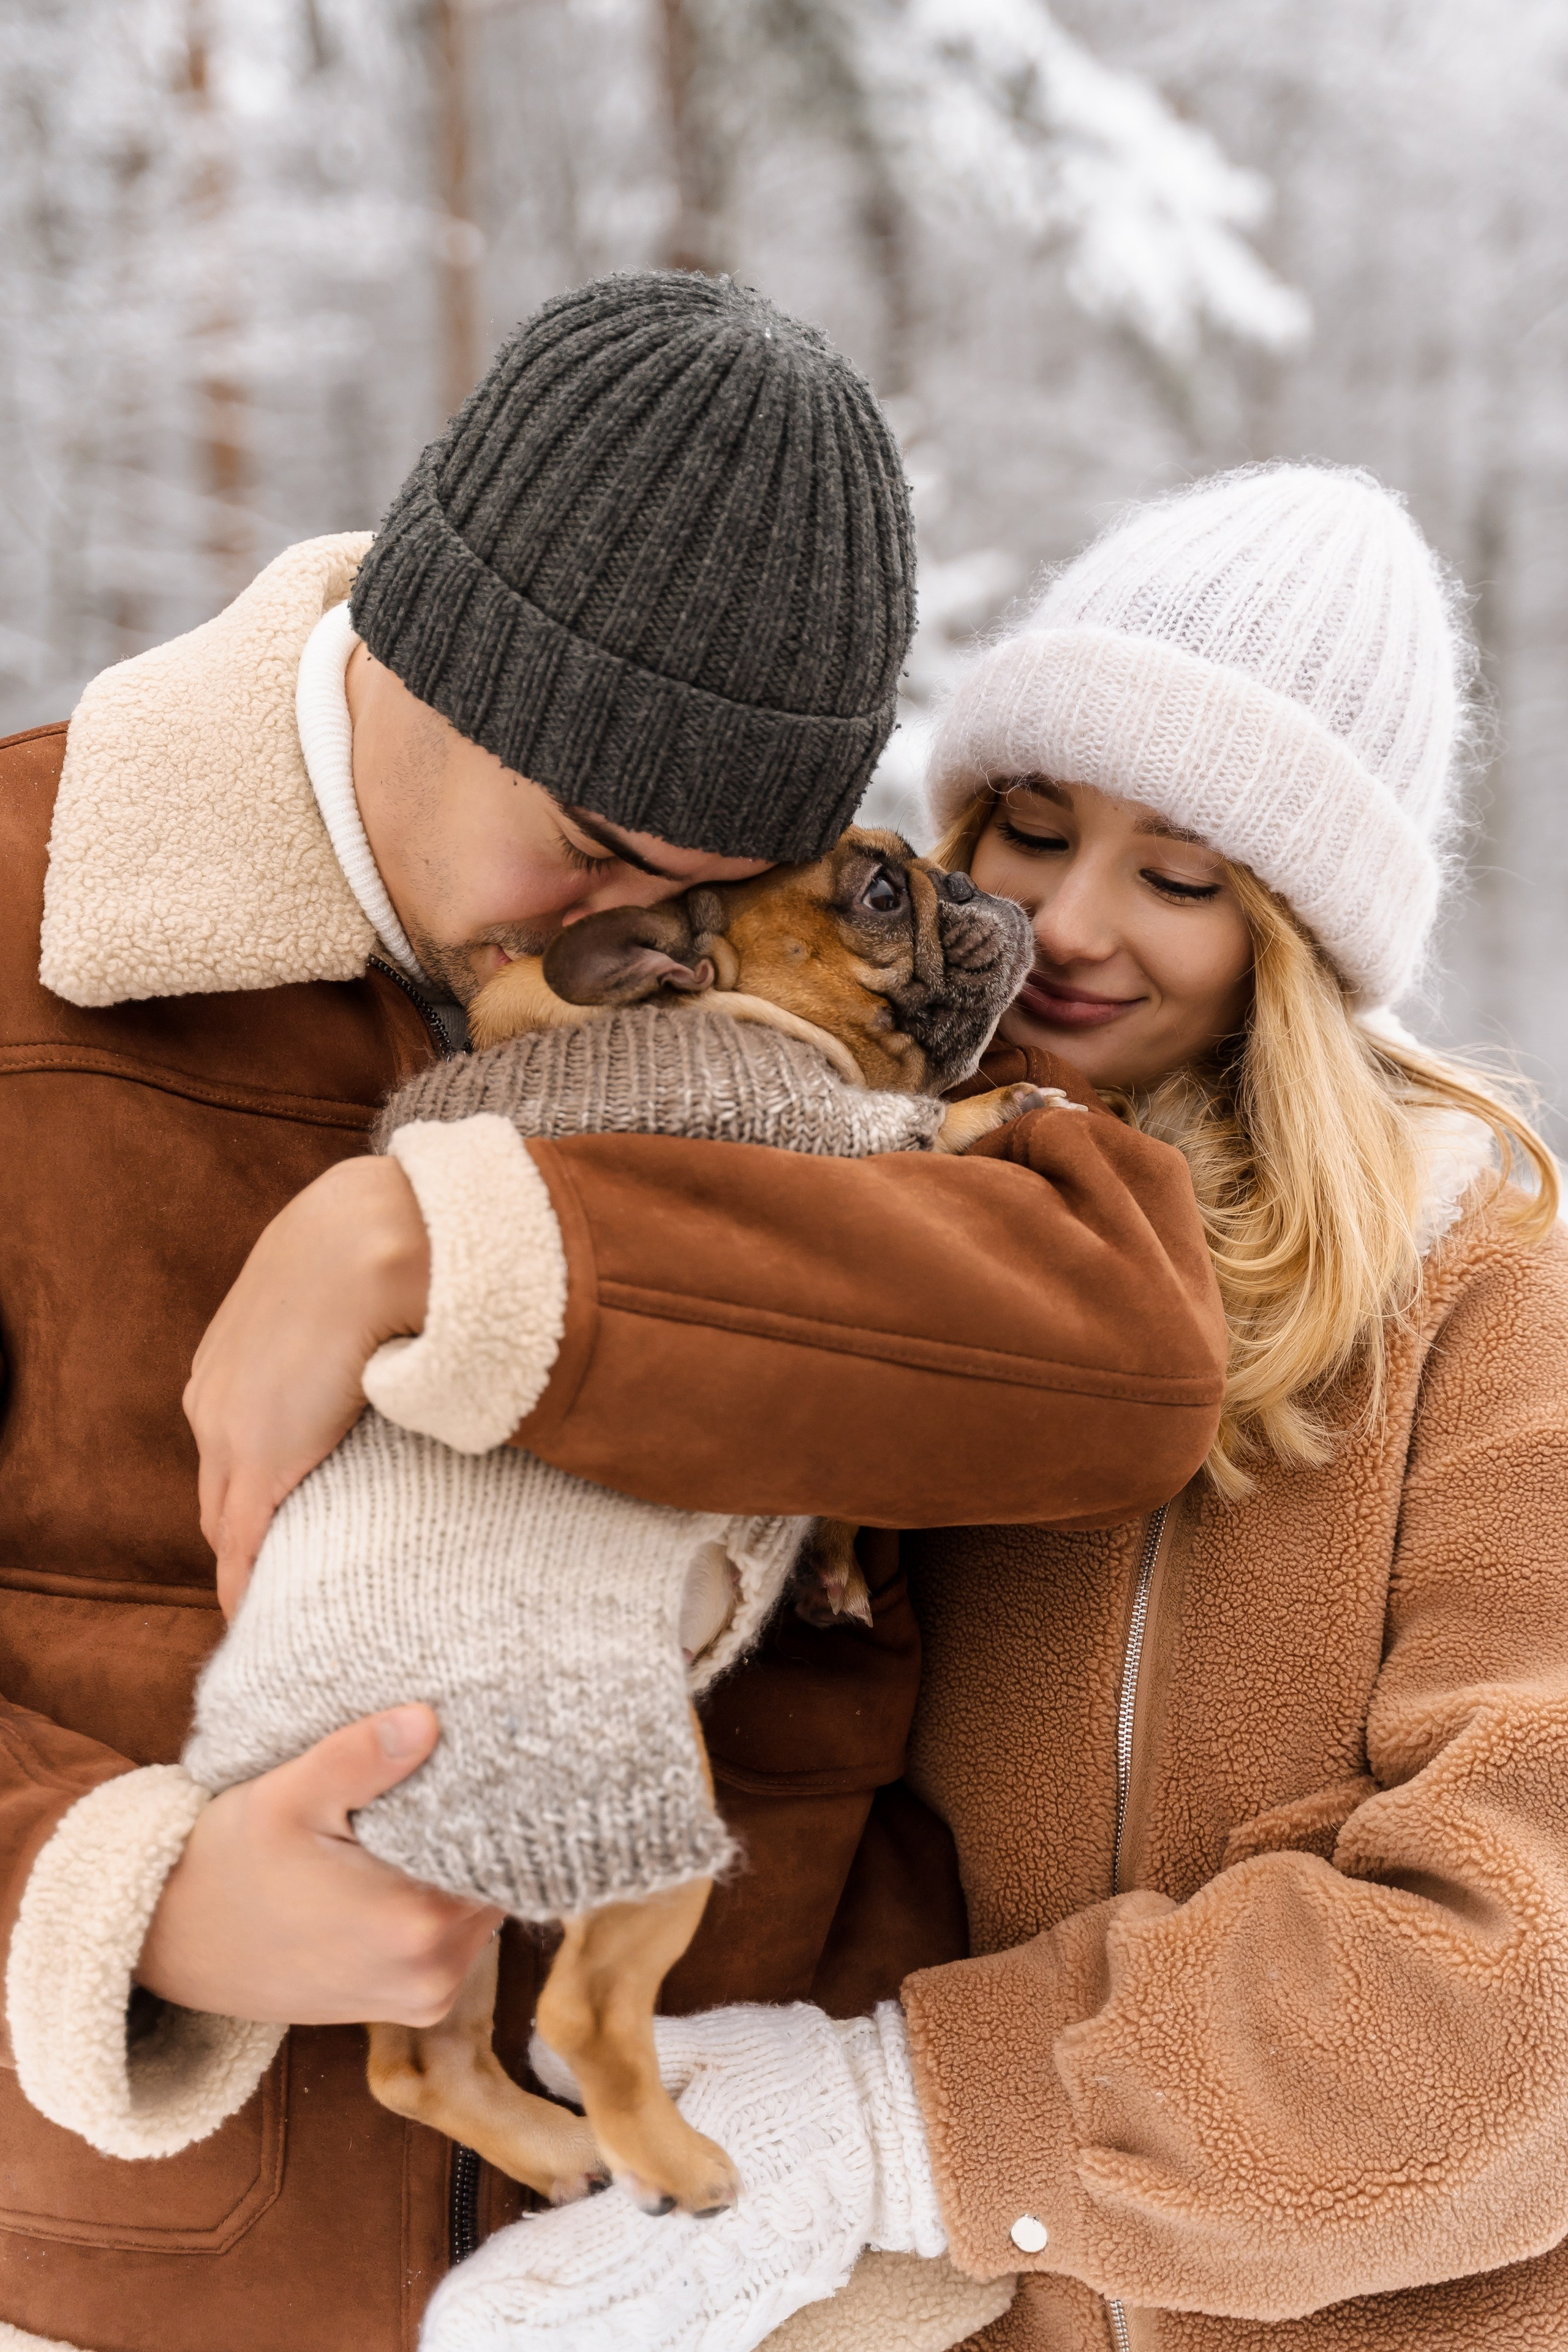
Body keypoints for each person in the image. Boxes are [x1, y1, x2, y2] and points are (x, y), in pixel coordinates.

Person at [0, 273, 1222, 2352]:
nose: (641, 937)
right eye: (588, 849)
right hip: (158, 2282)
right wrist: (117, 1904)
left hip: (716, 2273)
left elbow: (1119, 1356)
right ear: (419, 652)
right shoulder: (33, 942)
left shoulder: (785, 1013)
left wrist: (463, 1246)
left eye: (716, 893)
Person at [408, 462, 1568, 2352]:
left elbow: (1521, 1990)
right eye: (1028, 832)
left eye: (1182, 879)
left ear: (1307, 939)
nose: (1073, 927)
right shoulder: (891, 1225)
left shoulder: (1480, 1294)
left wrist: (909, 2120)